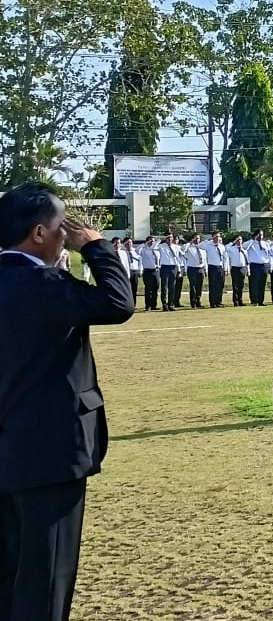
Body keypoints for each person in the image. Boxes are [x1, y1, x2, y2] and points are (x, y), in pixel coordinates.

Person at [0, 182, 135, 621]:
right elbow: (118, 302)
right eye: (62, 227)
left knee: (9, 574)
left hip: (7, 454)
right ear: (38, 233)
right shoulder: (45, 285)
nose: (67, 235)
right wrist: (96, 249)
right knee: (46, 580)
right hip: (50, 454)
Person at [244, 230, 273, 306]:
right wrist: (252, 239)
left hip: (264, 265)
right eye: (259, 235)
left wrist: (270, 265)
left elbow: (270, 254)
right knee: (254, 283)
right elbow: (244, 247)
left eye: (262, 235)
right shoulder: (251, 243)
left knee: (262, 284)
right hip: (254, 265)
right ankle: (254, 300)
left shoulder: (265, 244)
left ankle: (260, 301)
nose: (260, 236)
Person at [157, 233, 182, 312]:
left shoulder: (176, 247)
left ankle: (171, 304)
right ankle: (164, 304)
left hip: (173, 267)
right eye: (168, 237)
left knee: (172, 287)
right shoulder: (161, 246)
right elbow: (152, 247)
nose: (170, 239)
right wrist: (160, 239)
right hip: (165, 267)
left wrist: (179, 270)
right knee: (164, 287)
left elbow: (178, 258)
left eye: (171, 237)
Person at [184, 234, 208, 309]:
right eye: (196, 238)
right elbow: (183, 249)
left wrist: (205, 270)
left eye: (198, 238)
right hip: (192, 269)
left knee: (199, 286)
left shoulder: (202, 250)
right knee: (193, 286)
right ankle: (193, 302)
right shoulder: (189, 248)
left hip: (200, 269)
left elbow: (204, 261)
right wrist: (191, 241)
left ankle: (198, 301)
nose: (197, 240)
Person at [206, 232, 229, 308]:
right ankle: (213, 302)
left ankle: (219, 301)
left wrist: (225, 268)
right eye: (216, 237)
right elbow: (199, 245)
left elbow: (225, 258)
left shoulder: (222, 246)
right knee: (213, 285)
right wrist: (209, 240)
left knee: (220, 285)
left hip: (220, 267)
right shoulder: (208, 245)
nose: (217, 238)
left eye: (219, 237)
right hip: (212, 267)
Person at [226, 236, 248, 307]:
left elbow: (246, 260)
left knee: (241, 285)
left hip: (242, 268)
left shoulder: (244, 250)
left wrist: (248, 270)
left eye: (240, 239)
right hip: (235, 268)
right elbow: (226, 248)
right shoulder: (232, 249)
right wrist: (233, 242)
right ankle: (235, 301)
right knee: (235, 285)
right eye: (238, 240)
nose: (239, 241)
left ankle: (240, 300)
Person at [140, 236, 160, 310]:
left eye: (153, 241)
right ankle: (148, 305)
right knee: (148, 289)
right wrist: (145, 244)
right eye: (150, 241)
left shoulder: (157, 250)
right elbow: (137, 250)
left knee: (155, 288)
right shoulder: (144, 250)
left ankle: (154, 305)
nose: (152, 242)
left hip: (156, 271)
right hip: (147, 271)